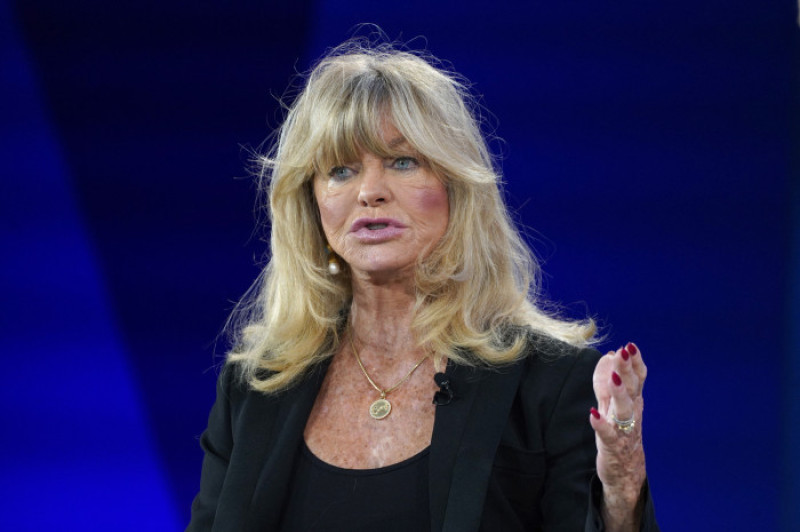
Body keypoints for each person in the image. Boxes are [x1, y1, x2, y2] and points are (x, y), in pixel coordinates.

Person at [187, 39, 659, 532]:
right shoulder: (256, 387)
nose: (370, 192)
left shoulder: (547, 383)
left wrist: (621, 493)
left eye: (402, 161)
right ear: (311, 205)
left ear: (456, 186)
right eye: (341, 170)